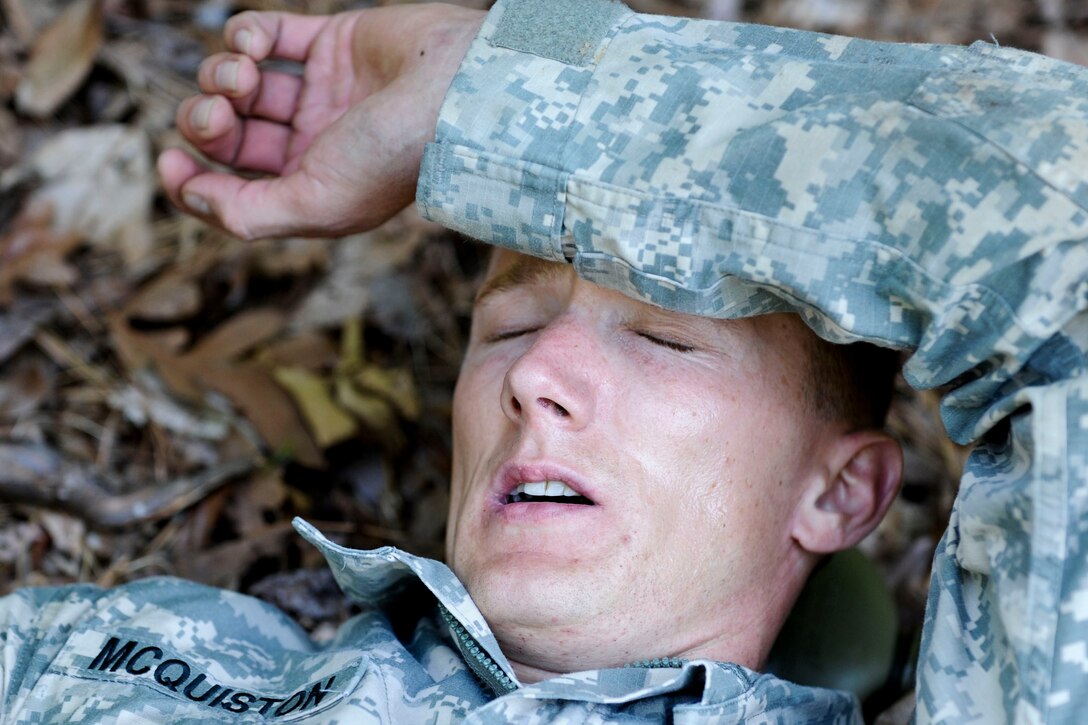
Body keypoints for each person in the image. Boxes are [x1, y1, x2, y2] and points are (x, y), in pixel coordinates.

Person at [4, 0, 1088, 721]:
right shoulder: (117, 650)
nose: (534, 378)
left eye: (663, 340)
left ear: (839, 490)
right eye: (508, 331)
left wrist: (490, 82)